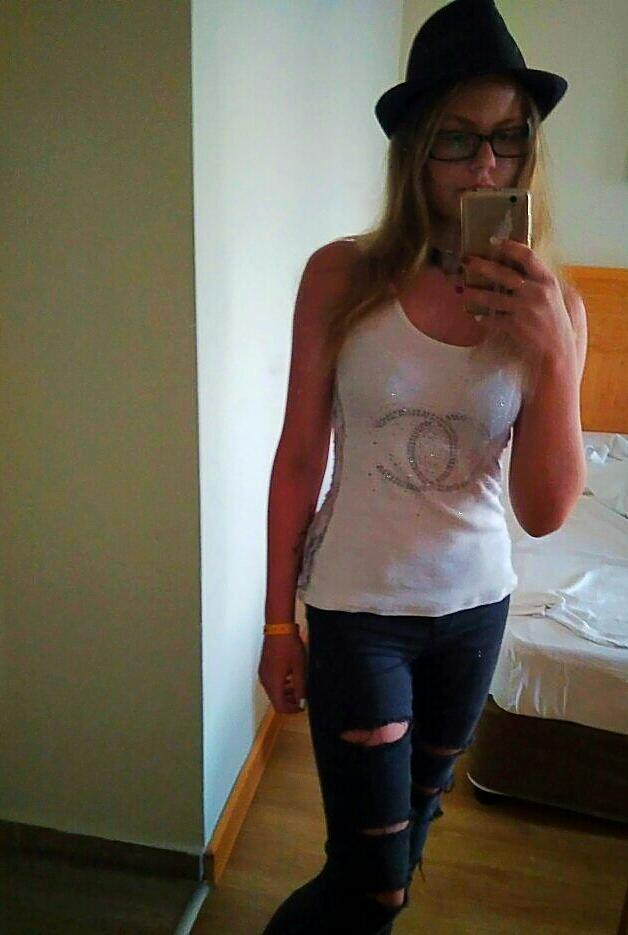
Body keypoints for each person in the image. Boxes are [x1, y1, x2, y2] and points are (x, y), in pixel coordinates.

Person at [258, 1, 588, 932]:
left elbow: (545, 511)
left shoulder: (554, 306)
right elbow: (298, 457)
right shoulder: (341, 277)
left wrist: (555, 356)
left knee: (405, 853)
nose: (486, 166)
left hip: (475, 611)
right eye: (458, 139)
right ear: (415, 149)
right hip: (359, 611)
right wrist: (278, 623)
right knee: (370, 885)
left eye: (508, 137)